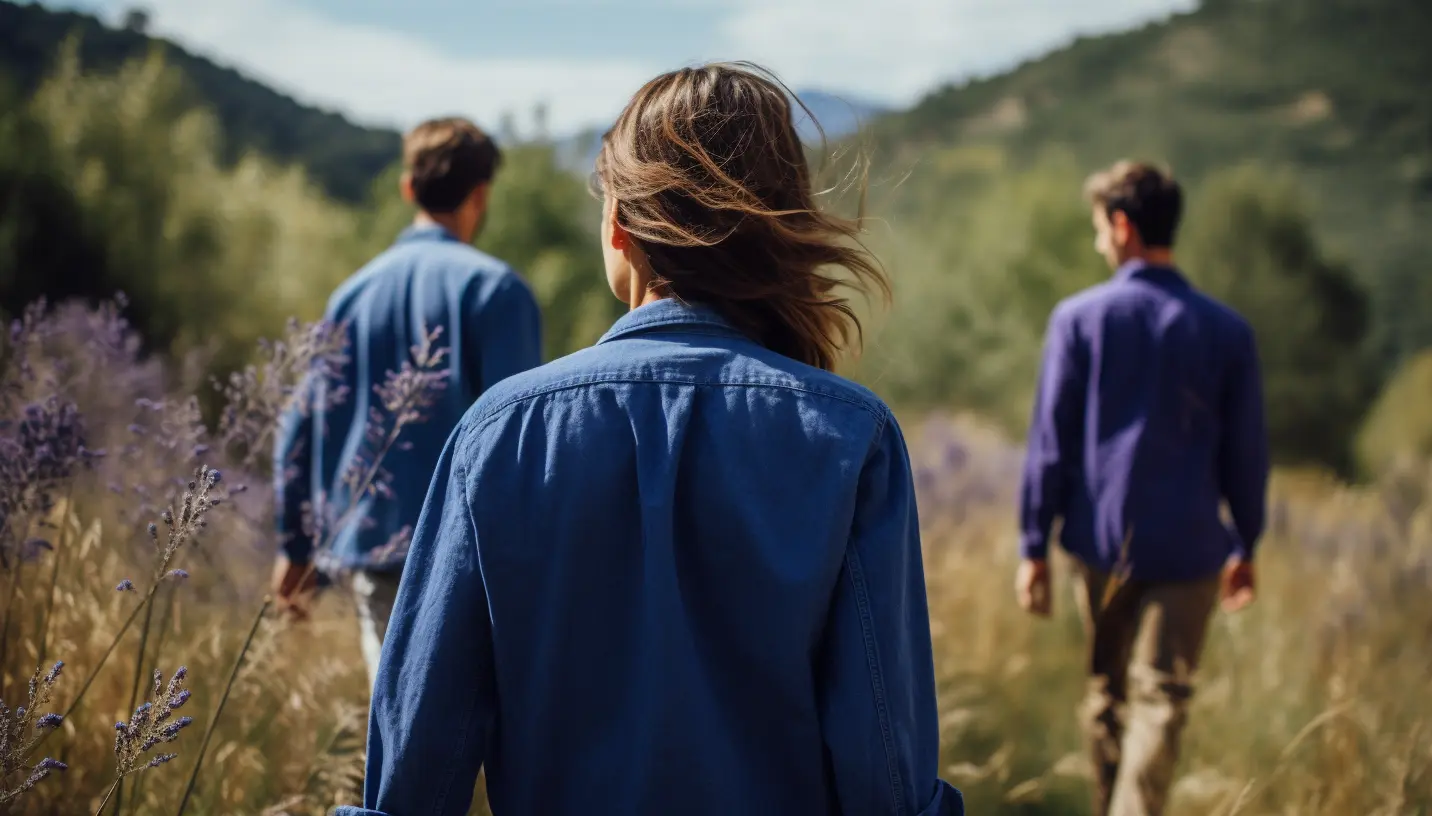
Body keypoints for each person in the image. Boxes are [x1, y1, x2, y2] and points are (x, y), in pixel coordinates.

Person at [335, 63, 962, 816]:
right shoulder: (849, 437)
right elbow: (885, 767)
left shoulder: (496, 436)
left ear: (619, 225)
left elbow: (420, 754)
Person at [1016, 161, 1270, 816]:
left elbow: (1050, 443)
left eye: (1100, 228)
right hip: (1190, 552)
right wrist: (1246, 541)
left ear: (1123, 226)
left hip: (1100, 546)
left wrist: (1033, 545)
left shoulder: (1078, 319)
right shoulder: (1227, 331)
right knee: (1163, 700)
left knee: (1108, 698)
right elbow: (1246, 454)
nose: (1100, 242)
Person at [273, 117, 542, 688]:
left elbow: (301, 424)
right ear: (480, 195)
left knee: (397, 731)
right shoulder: (497, 291)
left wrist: (295, 548)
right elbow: (519, 443)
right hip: (471, 565)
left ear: (407, 188)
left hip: (375, 552)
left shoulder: (352, 294)